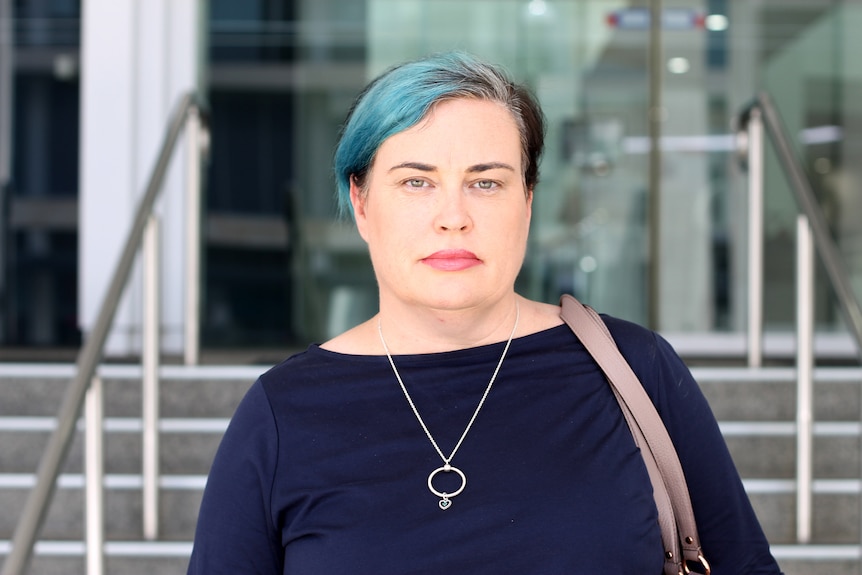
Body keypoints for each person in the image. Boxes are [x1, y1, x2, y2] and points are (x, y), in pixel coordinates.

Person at [187, 52, 782, 574]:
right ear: (362, 202)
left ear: (527, 201)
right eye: (417, 182)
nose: (454, 216)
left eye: (487, 183)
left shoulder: (634, 372)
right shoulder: (282, 414)